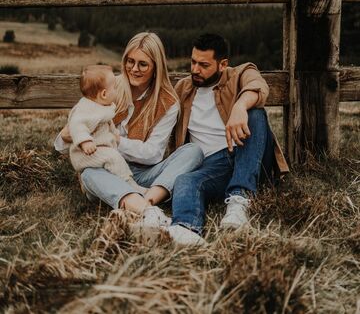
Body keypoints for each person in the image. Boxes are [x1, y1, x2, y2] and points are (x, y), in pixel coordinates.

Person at [54, 32, 204, 230]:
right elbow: (68, 135)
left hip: (143, 173)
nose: (134, 69)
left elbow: (153, 154)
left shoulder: (168, 102)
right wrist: (67, 136)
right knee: (89, 174)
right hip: (104, 168)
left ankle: (145, 201)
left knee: (193, 151)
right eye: (130, 61)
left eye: (143, 64)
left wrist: (113, 141)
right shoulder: (109, 87)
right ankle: (147, 207)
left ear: (156, 67)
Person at [167, 33, 289, 246]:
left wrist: (240, 106)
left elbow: (259, 87)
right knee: (185, 180)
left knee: (255, 113)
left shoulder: (240, 73)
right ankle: (186, 228)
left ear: (222, 64)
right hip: (211, 166)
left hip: (246, 154)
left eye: (204, 65)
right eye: (193, 62)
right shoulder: (184, 88)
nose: (195, 69)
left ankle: (239, 200)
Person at [68, 64, 146, 195]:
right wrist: (85, 141)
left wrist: (114, 135)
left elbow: (108, 125)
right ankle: (130, 185)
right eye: (114, 88)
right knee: (114, 158)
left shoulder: (101, 105)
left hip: (99, 149)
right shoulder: (86, 108)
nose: (117, 90)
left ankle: (93, 191)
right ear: (104, 94)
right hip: (86, 153)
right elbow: (77, 125)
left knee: (111, 163)